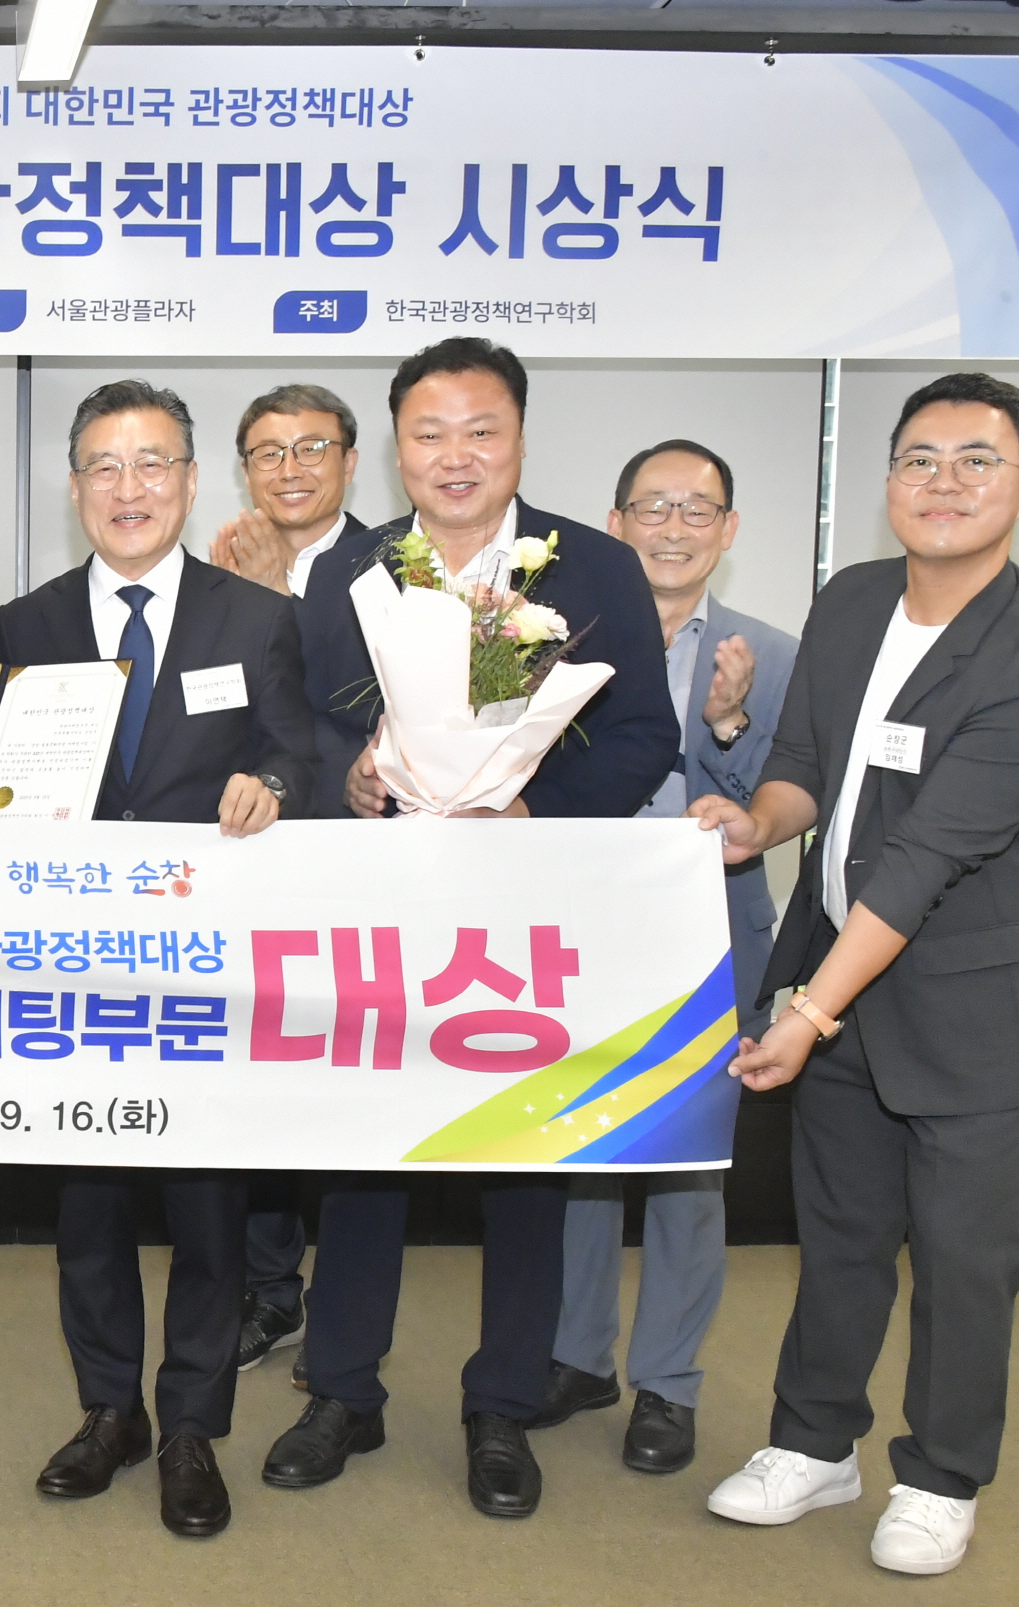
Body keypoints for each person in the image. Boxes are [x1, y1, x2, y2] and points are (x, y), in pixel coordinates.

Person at [264, 338, 674, 1521]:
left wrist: (530, 807)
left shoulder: (594, 567)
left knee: (519, 1158)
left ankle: (501, 1402)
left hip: (528, 907)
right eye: (430, 433)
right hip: (380, 905)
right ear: (395, 448)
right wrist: (346, 777)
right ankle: (341, 1389)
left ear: (520, 439)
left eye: (480, 430)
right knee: (362, 1153)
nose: (456, 456)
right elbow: (304, 721)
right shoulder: (346, 570)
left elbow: (643, 735)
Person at [699, 373, 1019, 1576]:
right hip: (846, 980)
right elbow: (806, 763)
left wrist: (808, 1010)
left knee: (965, 1258)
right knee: (841, 1231)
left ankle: (941, 1475)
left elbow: (923, 860)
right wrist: (757, 824)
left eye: (976, 461)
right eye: (920, 459)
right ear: (887, 482)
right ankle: (814, 1442)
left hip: (973, 1009)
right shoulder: (857, 599)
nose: (943, 483)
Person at [0, 379, 314, 1539]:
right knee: (86, 1201)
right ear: (74, 484)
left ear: (187, 479)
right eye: (103, 465)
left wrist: (270, 783)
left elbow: (294, 748)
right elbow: (0, 775)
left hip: (203, 964)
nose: (127, 489)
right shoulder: (26, 623)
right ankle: (107, 1410)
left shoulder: (255, 617)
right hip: (74, 962)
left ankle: (189, 1425)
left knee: (205, 1205)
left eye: (151, 464)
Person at [535, 439, 796, 1476]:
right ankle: (575, 1356)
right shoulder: (555, 645)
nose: (673, 527)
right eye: (652, 507)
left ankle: (668, 1383)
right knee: (582, 1145)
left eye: (698, 509)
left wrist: (726, 725)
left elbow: (781, 801)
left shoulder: (770, 652)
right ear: (615, 524)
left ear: (728, 529)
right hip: (581, 929)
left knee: (688, 1161)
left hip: (709, 936)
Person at [208, 383, 372, 1386]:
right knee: (256, 1080)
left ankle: (344, 1324)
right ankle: (268, 1287)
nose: (290, 468)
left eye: (312, 447)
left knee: (346, 1093)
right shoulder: (217, 562)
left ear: (350, 460)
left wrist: (278, 600)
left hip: (358, 861)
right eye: (267, 452)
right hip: (250, 864)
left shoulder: (398, 564)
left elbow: (366, 712)